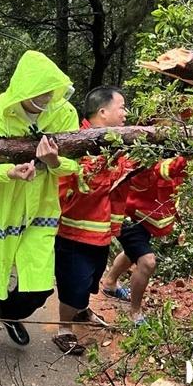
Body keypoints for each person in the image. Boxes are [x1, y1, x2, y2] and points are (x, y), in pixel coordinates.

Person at [0, 50, 80, 346]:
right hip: (2, 203)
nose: (45, 98)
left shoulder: (64, 113)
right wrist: (10, 171)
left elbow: (76, 163)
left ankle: (9, 312)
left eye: (50, 91)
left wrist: (55, 162)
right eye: (39, 91)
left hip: (41, 207)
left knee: (40, 285)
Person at [53, 86, 133, 354]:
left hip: (100, 234)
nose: (125, 113)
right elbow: (69, 188)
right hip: (74, 233)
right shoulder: (78, 145)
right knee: (73, 283)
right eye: (121, 107)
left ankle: (81, 310)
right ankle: (64, 328)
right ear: (102, 112)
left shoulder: (118, 145)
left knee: (91, 280)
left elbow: (120, 189)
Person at [100, 153, 191, 325]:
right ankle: (135, 312)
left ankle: (110, 283)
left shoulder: (169, 151)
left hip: (144, 219)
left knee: (132, 251)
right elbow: (163, 170)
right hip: (127, 217)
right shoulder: (143, 155)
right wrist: (188, 153)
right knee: (147, 262)